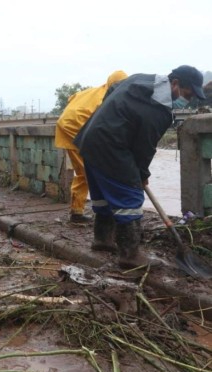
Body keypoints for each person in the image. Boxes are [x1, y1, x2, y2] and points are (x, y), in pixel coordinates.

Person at [74, 65, 206, 269]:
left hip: (90, 139)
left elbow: (112, 90)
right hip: (111, 147)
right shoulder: (159, 111)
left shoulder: (140, 79)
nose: (188, 100)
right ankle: (130, 255)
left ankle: (102, 240)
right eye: (188, 94)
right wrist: (141, 176)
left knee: (102, 196)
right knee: (130, 196)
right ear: (176, 83)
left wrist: (110, 119)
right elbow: (144, 148)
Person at [55, 70, 128, 224]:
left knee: (83, 171)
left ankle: (77, 211)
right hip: (77, 128)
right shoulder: (109, 98)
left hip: (66, 125)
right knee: (95, 171)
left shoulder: (93, 92)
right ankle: (108, 212)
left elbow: (72, 98)